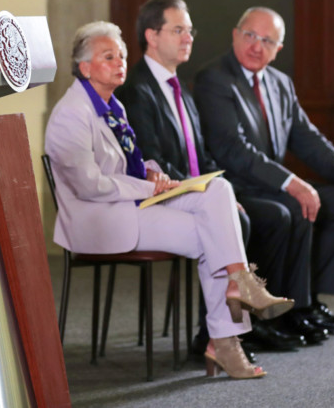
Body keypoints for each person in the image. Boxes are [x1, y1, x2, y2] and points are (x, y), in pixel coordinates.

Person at [46, 21, 293, 379]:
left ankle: (237, 293)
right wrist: (149, 188)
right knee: (215, 234)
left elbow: (124, 160)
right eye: (108, 56)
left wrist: (150, 171)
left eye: (122, 56)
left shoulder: (111, 105)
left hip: (130, 203)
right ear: (84, 68)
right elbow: (89, 186)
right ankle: (226, 338)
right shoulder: (71, 114)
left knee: (219, 191)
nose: (120, 63)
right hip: (100, 219)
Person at [115, 0, 301, 354]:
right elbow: (151, 163)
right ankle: (214, 334)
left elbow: (203, 156)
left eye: (190, 31)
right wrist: (213, 197)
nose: (189, 38)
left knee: (275, 216)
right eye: (179, 30)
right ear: (152, 36)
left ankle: (249, 326)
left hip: (198, 192)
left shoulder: (180, 88)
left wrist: (224, 193)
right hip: (160, 199)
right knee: (239, 222)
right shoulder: (137, 90)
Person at [193, 6, 334, 344]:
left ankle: (307, 304)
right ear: (235, 35)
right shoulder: (214, 78)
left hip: (270, 184)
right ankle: (285, 311)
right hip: (236, 186)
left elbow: (308, 139)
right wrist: (292, 183)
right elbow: (234, 150)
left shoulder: (280, 83)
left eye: (267, 40)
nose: (256, 46)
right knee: (296, 207)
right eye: (249, 35)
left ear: (278, 50)